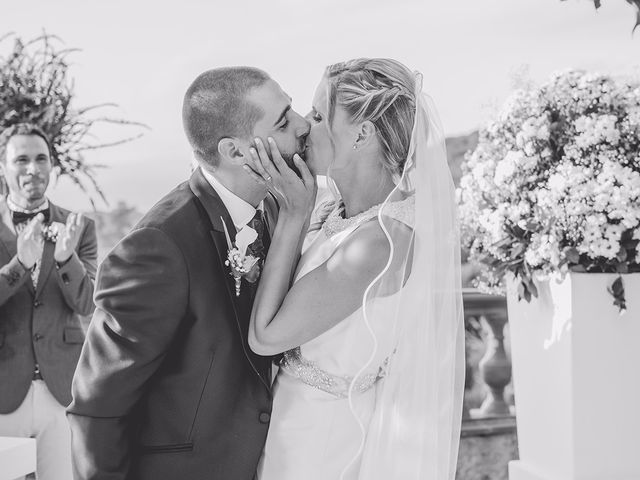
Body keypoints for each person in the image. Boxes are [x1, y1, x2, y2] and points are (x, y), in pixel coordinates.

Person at [66, 67, 310, 480]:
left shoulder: (276, 209)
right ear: (235, 152)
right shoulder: (157, 247)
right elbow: (98, 406)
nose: (304, 125)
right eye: (284, 121)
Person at [245, 58, 465, 480]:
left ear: (362, 133)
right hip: (287, 421)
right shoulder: (336, 209)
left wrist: (294, 215)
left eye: (320, 115)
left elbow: (266, 336)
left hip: (322, 444)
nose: (305, 126)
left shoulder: (380, 242)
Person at [0, 123, 97, 480]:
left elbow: (88, 304)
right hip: (3, 389)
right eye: (21, 159)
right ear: (3, 167)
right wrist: (20, 265)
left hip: (61, 388)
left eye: (41, 159)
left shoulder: (80, 227)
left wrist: (66, 258)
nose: (33, 168)